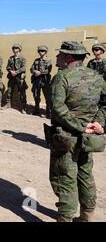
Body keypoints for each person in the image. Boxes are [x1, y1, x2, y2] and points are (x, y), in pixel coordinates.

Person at [48, 41, 105, 222]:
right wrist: (98, 122)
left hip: (66, 137)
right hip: (88, 138)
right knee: (85, 174)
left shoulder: (62, 77)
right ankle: (87, 215)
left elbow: (57, 107)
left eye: (60, 54)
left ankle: (65, 218)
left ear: (69, 57)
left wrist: (81, 126)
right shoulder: (96, 77)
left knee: (65, 177)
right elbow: (104, 103)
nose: (57, 57)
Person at [31, 45, 53, 118]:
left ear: (46, 52)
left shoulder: (48, 60)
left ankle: (48, 112)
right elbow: (31, 68)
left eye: (42, 51)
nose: (40, 52)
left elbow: (48, 70)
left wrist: (40, 72)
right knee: (36, 95)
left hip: (45, 81)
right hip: (36, 80)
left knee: (47, 97)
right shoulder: (36, 60)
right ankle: (36, 109)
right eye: (39, 51)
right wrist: (34, 71)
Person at [5, 44, 27, 114]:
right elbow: (8, 67)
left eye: (16, 48)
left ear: (19, 49)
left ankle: (23, 107)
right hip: (11, 77)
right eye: (14, 48)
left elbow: (24, 68)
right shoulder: (11, 58)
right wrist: (11, 71)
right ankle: (8, 104)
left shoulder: (22, 58)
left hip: (19, 77)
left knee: (22, 92)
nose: (14, 49)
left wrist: (16, 72)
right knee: (9, 90)